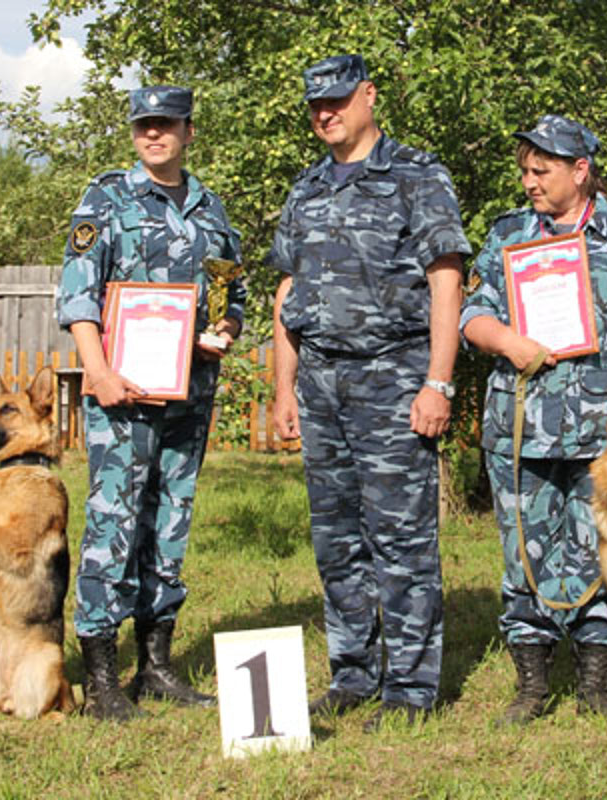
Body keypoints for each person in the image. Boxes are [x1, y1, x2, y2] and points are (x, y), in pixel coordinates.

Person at [461, 114, 607, 725]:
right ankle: (532, 683)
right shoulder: (509, 233)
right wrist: (506, 340)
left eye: (543, 171)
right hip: (522, 427)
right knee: (523, 553)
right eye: (525, 171)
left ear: (580, 171)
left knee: (603, 551)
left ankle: (596, 679)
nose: (530, 181)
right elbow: (471, 313)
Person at [269, 54, 471, 731]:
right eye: (315, 105)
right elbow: (287, 291)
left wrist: (437, 382)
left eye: (337, 100)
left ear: (369, 96)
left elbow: (447, 282)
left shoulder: (417, 175)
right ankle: (353, 672)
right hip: (322, 382)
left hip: (392, 378)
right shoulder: (305, 189)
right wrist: (283, 388)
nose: (326, 114)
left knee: (402, 538)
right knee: (335, 540)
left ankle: (411, 689)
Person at [57, 85, 245, 721]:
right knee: (113, 525)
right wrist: (99, 372)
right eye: (144, 126)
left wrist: (226, 331)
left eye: (166, 125)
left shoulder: (212, 210)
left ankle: (156, 666)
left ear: (189, 130)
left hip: (188, 392)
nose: (154, 135)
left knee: (170, 522)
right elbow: (78, 299)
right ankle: (102, 679)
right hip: (122, 393)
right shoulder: (105, 200)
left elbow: (231, 299)